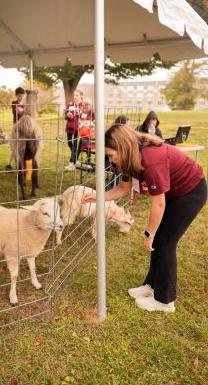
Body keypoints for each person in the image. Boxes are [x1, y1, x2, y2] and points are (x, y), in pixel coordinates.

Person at [82, 125, 207, 312]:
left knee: (165, 243)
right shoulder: (130, 157)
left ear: (122, 147)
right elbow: (123, 189)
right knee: (161, 241)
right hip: (173, 193)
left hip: (191, 192)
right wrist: (98, 195)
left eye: (110, 155)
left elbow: (158, 204)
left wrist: (149, 233)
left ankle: (165, 301)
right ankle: (151, 286)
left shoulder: (151, 160)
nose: (111, 159)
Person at [5, 87, 25, 171]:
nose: (21, 97)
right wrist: (28, 108)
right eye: (19, 95)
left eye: (22, 95)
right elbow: (19, 112)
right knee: (16, 147)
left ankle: (11, 165)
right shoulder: (14, 103)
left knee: (20, 147)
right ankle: (12, 165)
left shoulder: (24, 104)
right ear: (16, 95)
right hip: (16, 127)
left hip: (23, 127)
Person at [65, 90, 83, 171]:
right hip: (69, 126)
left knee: (75, 145)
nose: (75, 97)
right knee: (69, 143)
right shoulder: (70, 104)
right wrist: (68, 115)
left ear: (81, 96)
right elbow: (65, 114)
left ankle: (72, 163)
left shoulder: (82, 105)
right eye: (74, 95)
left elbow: (83, 116)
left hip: (77, 128)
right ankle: (75, 157)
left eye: (77, 95)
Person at [78, 99, 95, 169]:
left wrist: (91, 124)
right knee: (79, 148)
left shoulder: (93, 112)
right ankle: (74, 161)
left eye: (88, 105)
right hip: (83, 133)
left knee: (88, 148)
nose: (86, 106)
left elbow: (95, 121)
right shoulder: (81, 113)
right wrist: (81, 124)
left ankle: (88, 163)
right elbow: (79, 121)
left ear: (90, 106)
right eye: (85, 105)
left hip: (90, 134)